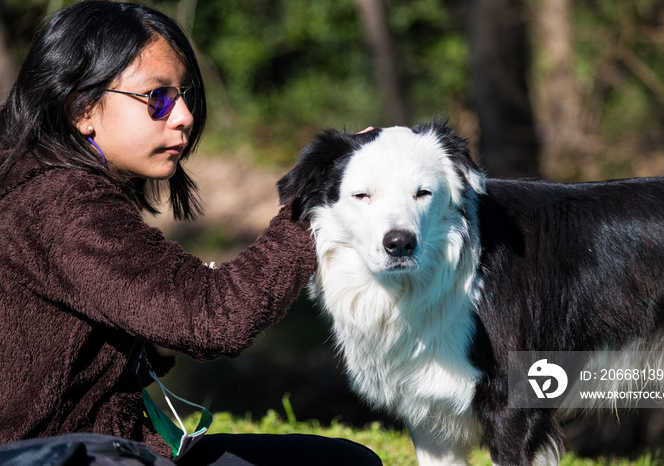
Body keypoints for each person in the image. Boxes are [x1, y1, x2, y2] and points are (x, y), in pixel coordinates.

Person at [0, 1, 382, 465]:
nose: (182, 115)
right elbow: (215, 317)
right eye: (157, 99)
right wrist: (320, 197)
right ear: (83, 108)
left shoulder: (40, 188)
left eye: (186, 97)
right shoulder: (59, 202)